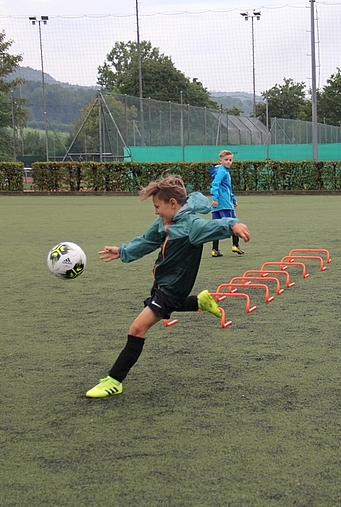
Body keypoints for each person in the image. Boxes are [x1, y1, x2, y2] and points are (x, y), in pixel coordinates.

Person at [86, 174, 250, 398]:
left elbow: (214, 226)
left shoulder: (192, 226)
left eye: (158, 206)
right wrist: (122, 251)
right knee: (167, 305)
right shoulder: (164, 222)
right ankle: (199, 301)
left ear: (172, 204)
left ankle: (114, 380)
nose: (156, 211)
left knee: (137, 329)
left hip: (173, 286)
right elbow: (147, 241)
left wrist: (234, 225)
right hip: (163, 283)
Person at [209, 149, 243, 256]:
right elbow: (215, 184)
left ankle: (215, 249)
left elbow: (227, 188)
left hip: (219, 205)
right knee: (234, 223)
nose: (228, 162)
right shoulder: (222, 171)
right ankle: (235, 245)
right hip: (224, 204)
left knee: (217, 226)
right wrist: (215, 198)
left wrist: (233, 199)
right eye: (226, 160)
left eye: (230, 160)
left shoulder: (221, 171)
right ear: (220, 161)